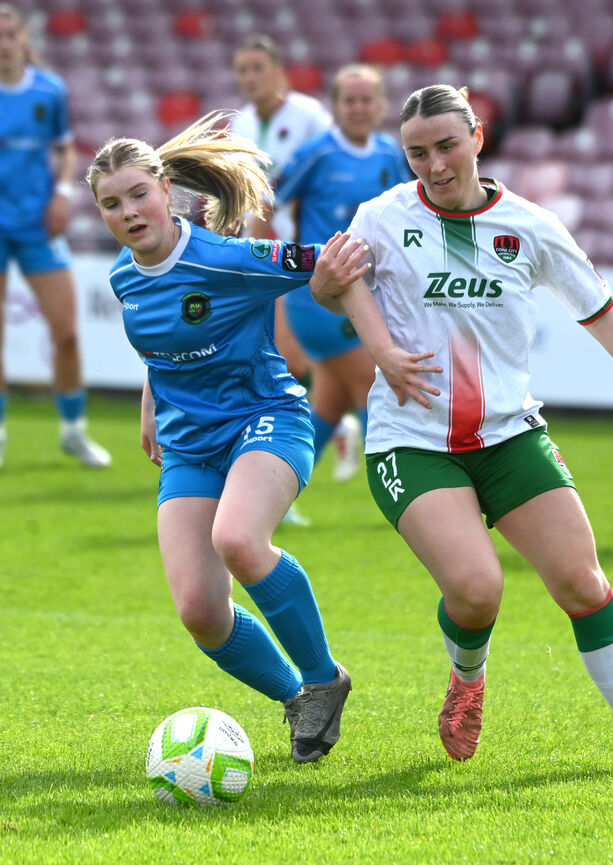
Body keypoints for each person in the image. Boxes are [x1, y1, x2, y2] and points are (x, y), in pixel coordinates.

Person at [309, 84, 613, 771]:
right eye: (417, 153)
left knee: (583, 582)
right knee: (476, 589)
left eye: (446, 145)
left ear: (477, 135)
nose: (435, 165)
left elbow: (601, 309)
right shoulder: (381, 217)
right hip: (410, 441)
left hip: (509, 435)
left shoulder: (530, 224)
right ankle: (467, 681)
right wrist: (330, 292)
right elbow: (330, 287)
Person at [86, 112, 351, 763]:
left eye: (137, 194)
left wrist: (362, 318)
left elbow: (331, 263)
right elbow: (161, 337)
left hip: (267, 417)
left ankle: (323, 676)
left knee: (237, 537)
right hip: (187, 442)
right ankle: (299, 699)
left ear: (165, 185)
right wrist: (150, 399)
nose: (128, 211)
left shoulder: (228, 258)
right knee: (201, 610)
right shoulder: (124, 274)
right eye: (111, 204)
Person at [0, 2, 111, 470]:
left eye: (11, 34)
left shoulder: (49, 90)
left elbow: (66, 148)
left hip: (38, 226)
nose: (5, 42)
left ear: (22, 39)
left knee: (68, 333)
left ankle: (74, 431)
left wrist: (61, 194)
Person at [271, 64, 412, 482]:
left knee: (329, 406)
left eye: (366, 99)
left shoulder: (390, 153)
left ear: (381, 105)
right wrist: (268, 261)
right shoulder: (317, 152)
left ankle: (269, 490)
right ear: (335, 106)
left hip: (369, 292)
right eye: (349, 100)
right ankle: (400, 490)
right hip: (320, 293)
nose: (357, 108)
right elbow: (265, 198)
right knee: (376, 385)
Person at [230, 34, 332, 403]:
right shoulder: (238, 124)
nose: (250, 77)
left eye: (258, 68)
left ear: (278, 72)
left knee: (293, 355)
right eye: (242, 70)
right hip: (253, 248)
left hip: (299, 247)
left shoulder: (310, 117)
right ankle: (327, 422)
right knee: (273, 351)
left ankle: (320, 421)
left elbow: (327, 175)